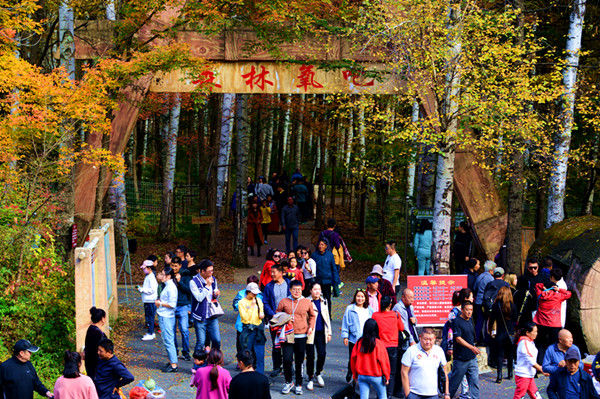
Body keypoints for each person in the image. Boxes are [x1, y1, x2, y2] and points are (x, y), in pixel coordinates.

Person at [277, 280, 317, 394]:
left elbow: (313, 316)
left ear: (302, 290)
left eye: (299, 290)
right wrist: (285, 318)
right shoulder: (284, 301)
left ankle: (299, 384)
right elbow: (277, 314)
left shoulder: (307, 302)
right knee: (287, 359)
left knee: (299, 361)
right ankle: (288, 382)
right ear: (290, 290)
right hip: (288, 334)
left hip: (302, 334)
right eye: (294, 289)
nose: (297, 292)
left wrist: (311, 327)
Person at [401, 329, 450, 399]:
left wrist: (447, 393)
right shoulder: (411, 351)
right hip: (414, 394)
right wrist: (407, 394)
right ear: (420, 337)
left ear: (434, 339)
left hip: (433, 394)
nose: (428, 342)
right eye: (425, 339)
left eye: (430, 339)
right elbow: (404, 372)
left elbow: (445, 373)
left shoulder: (439, 351)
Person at [373, 296, 405, 398]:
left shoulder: (375, 315)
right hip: (393, 346)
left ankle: (380, 394)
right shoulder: (395, 314)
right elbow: (401, 328)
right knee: (392, 372)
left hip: (380, 346)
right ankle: (389, 395)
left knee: (380, 371)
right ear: (390, 304)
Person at [351, 319, 391, 399]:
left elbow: (353, 359)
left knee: (364, 396)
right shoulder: (378, 343)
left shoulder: (359, 343)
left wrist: (355, 375)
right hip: (376, 375)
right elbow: (384, 361)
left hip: (362, 375)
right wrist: (387, 376)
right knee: (382, 395)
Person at [533, 279, 571, 364]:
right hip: (554, 325)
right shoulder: (558, 297)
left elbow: (537, 285)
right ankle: (554, 363)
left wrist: (543, 287)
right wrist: (559, 289)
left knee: (540, 345)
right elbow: (569, 294)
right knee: (554, 346)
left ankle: (540, 363)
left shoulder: (540, 295)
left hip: (541, 324)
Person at [262, 264, 290, 377]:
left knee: (288, 343)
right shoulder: (269, 286)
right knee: (276, 344)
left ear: (281, 272)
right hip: (274, 319)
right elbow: (265, 302)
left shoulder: (289, 283)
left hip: (288, 319)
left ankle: (288, 367)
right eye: (271, 272)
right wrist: (273, 314)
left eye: (274, 272)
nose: (272, 274)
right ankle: (276, 367)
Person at [448, 301, 479, 399]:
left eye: (471, 310)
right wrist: (472, 347)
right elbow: (458, 339)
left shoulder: (471, 319)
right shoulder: (456, 321)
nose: (469, 312)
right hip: (461, 359)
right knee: (454, 385)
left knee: (474, 383)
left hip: (472, 359)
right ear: (462, 310)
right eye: (467, 310)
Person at [342, 289, 373, 383]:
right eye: (358, 296)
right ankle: (350, 371)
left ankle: (359, 376)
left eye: (362, 296)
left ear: (365, 298)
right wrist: (345, 336)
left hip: (366, 338)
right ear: (355, 297)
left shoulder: (369, 309)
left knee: (363, 358)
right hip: (353, 338)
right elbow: (345, 322)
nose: (360, 299)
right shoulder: (350, 308)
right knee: (353, 357)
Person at [190, 260, 222, 353]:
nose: (211, 273)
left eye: (212, 270)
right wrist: (207, 286)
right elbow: (199, 298)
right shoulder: (193, 282)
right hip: (200, 316)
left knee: (217, 340)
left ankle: (215, 361)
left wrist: (216, 294)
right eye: (209, 271)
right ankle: (198, 363)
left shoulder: (213, 279)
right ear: (202, 271)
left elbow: (214, 295)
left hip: (212, 314)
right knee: (201, 342)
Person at [306, 282, 332, 391]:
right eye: (315, 289)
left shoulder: (324, 301)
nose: (317, 291)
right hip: (310, 333)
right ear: (310, 290)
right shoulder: (306, 301)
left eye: (319, 289)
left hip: (322, 332)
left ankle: (318, 373)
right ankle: (310, 377)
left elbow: (327, 317)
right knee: (310, 356)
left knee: (322, 353)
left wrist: (329, 332)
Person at [489, 286, 517, 383]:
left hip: (500, 333)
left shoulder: (496, 305)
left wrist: (490, 330)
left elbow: (492, 319)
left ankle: (499, 376)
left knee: (500, 355)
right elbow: (515, 320)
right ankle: (510, 373)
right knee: (510, 354)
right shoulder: (512, 305)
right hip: (510, 333)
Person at [513, 323, 549, 399]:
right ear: (527, 333)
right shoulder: (524, 343)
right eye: (535, 332)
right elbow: (530, 360)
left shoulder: (529, 342)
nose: (536, 334)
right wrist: (541, 369)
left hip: (529, 374)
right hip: (523, 375)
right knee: (519, 395)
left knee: (535, 394)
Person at [238, 282, 266, 374]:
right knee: (247, 354)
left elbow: (261, 313)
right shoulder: (241, 302)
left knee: (260, 354)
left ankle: (260, 374)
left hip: (258, 329)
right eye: (253, 293)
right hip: (248, 330)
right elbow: (245, 318)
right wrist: (252, 306)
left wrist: (262, 314)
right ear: (248, 292)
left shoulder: (258, 300)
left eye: (256, 293)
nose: (255, 295)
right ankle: (247, 374)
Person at [155, 267, 179, 372]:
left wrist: (160, 303)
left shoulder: (171, 287)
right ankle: (171, 361)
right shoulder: (167, 286)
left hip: (167, 316)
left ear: (168, 276)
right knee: (166, 339)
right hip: (163, 315)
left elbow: (172, 304)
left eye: (163, 274)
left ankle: (174, 364)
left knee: (169, 339)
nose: (161, 276)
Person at [170, 256, 192, 362]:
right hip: (172, 306)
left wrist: (180, 282)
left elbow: (189, 289)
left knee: (184, 330)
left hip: (183, 305)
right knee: (172, 330)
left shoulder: (186, 274)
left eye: (176, 266)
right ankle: (174, 351)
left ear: (180, 265)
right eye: (172, 265)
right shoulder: (169, 274)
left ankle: (186, 352)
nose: (174, 268)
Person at [233, 275, 261, 355]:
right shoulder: (241, 294)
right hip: (242, 324)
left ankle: (251, 363)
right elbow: (235, 306)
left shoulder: (260, 295)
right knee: (241, 344)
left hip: (255, 323)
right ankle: (240, 361)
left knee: (253, 345)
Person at [312, 237, 341, 315]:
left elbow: (334, 268)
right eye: (319, 244)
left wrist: (335, 280)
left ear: (326, 246)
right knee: (316, 298)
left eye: (322, 244)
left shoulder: (330, 255)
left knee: (327, 298)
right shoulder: (314, 255)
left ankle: (328, 314)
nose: (320, 246)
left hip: (327, 281)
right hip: (317, 281)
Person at [473, 260, 495, 343]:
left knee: (479, 320)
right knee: (485, 321)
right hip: (484, 302)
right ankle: (484, 339)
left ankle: (477, 337)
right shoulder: (490, 278)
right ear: (490, 270)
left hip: (478, 301)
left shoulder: (480, 276)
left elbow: (475, 288)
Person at [138, 260, 158, 341]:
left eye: (144, 268)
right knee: (149, 317)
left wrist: (142, 290)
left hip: (151, 300)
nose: (143, 270)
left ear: (149, 268)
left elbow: (152, 290)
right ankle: (150, 332)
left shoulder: (151, 277)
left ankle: (151, 333)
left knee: (150, 317)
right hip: (148, 300)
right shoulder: (148, 276)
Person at [84, 307, 107, 380]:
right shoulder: (97, 333)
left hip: (90, 363)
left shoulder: (91, 329)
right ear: (102, 319)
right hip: (97, 366)